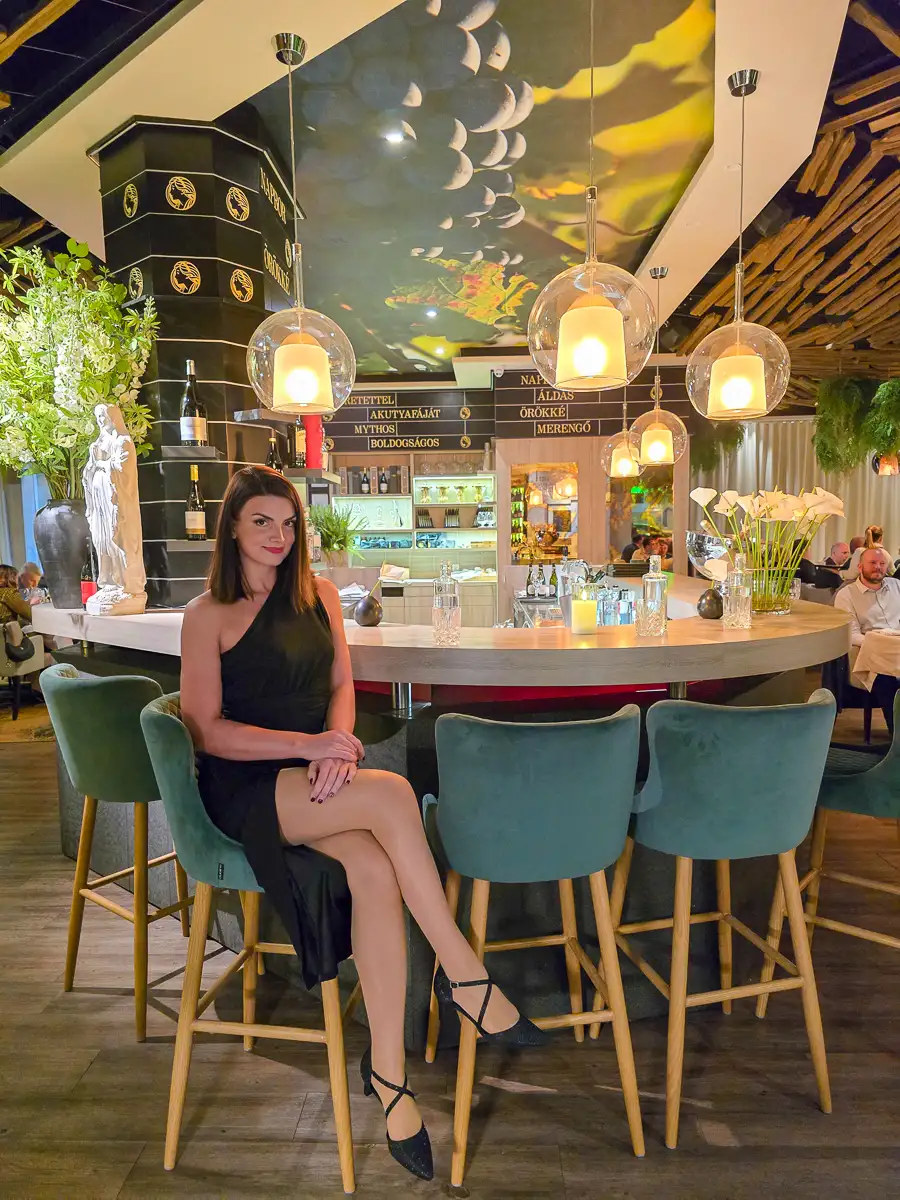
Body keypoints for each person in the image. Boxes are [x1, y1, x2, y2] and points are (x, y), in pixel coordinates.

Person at [180, 466, 545, 1183]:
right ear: (232, 528)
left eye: (288, 523)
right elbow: (206, 731)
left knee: (375, 868)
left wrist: (341, 748)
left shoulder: (319, 595)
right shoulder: (207, 614)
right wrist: (312, 745)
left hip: (313, 774)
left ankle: (389, 1078)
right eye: (262, 522)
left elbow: (342, 683)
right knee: (393, 795)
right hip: (246, 787)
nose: (279, 536)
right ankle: (464, 975)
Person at [834, 547, 900, 732]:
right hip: (869, 655)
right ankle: (897, 737)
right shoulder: (846, 595)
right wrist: (882, 642)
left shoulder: (897, 586)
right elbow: (851, 635)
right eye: (872, 563)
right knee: (887, 679)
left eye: (882, 563)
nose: (878, 567)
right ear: (860, 566)